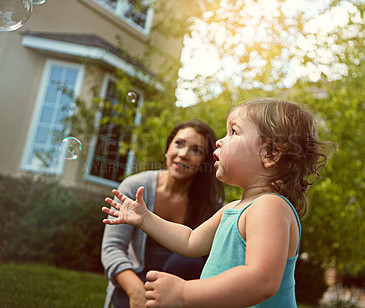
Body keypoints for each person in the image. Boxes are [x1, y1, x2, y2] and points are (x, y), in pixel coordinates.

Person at [102, 98, 334, 307]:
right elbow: (189, 241)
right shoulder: (232, 209)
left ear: (270, 154)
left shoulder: (269, 207)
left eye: (233, 132)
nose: (220, 142)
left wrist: (184, 292)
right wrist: (146, 218)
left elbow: (262, 280)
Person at [101, 119, 225, 308]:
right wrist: (136, 291)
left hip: (182, 287)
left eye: (196, 150)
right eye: (179, 143)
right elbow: (112, 249)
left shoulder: (211, 204)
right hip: (137, 280)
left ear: (204, 162)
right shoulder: (134, 187)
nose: (183, 154)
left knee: (186, 260)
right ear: (168, 148)